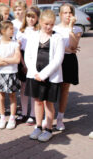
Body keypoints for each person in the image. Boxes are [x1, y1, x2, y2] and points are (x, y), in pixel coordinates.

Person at [25, 10, 65, 142]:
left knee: (48, 103)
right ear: (40, 22)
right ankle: (38, 126)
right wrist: (35, 72)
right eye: (46, 24)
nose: (49, 27)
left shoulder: (57, 38)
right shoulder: (33, 35)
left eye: (52, 24)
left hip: (50, 75)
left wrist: (44, 74)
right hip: (35, 74)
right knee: (37, 101)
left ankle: (48, 129)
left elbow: (58, 59)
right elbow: (28, 55)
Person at [53, 3, 82, 131]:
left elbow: (74, 46)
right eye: (65, 12)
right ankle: (48, 117)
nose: (68, 15)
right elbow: (53, 46)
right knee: (52, 88)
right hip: (56, 60)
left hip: (69, 60)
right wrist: (64, 48)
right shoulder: (54, 28)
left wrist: (70, 27)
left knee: (64, 89)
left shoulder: (77, 29)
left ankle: (60, 118)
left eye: (70, 12)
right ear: (60, 14)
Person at [0, 21, 20, 130]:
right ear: (3, 31)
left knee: (12, 96)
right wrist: (9, 60)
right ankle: (2, 117)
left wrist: (3, 59)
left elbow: (17, 59)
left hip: (11, 73)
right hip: (0, 74)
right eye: (11, 29)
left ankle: (12, 118)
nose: (13, 31)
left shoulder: (15, 44)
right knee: (1, 95)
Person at [15, 6, 40, 125]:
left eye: (33, 17)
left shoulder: (39, 30)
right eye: (28, 16)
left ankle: (33, 115)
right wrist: (23, 64)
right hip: (23, 59)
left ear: (37, 18)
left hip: (35, 59)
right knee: (24, 88)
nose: (30, 19)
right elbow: (18, 49)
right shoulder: (21, 30)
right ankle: (24, 112)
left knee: (33, 89)